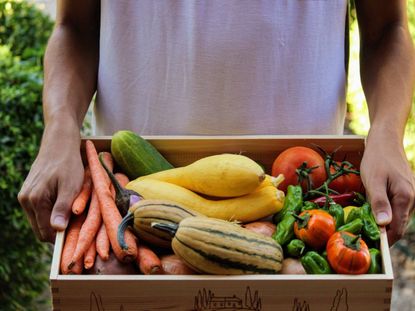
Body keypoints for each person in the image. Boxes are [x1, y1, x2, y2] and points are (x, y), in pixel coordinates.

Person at [18, 0, 415, 246]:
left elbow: (387, 30)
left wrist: (386, 135)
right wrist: (59, 130)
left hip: (304, 202)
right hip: (134, 208)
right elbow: (76, 28)